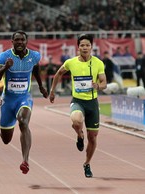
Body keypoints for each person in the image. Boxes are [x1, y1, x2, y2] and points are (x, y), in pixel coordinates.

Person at [49, 34, 107, 178]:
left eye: (87, 45)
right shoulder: (71, 62)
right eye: (82, 45)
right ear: (78, 47)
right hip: (78, 100)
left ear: (91, 47)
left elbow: (104, 83)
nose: (85, 47)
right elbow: (58, 74)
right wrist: (52, 91)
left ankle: (87, 163)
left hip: (92, 103)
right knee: (76, 121)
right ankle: (79, 135)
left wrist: (97, 86)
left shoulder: (98, 63)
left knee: (93, 137)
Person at [0, 30, 48, 174]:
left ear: (26, 41)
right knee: (6, 139)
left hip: (24, 98)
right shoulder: (4, 56)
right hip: (8, 100)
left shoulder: (34, 56)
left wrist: (41, 86)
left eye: (22, 40)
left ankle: (25, 161)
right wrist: (5, 67)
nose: (20, 43)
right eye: (17, 40)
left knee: (23, 122)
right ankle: (4, 129)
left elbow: (36, 69)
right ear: (12, 42)